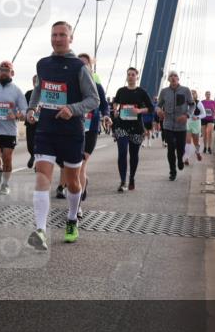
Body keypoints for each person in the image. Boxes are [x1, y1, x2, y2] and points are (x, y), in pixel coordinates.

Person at [25, 22, 99, 248]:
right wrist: (31, 109)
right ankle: (40, 230)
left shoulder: (79, 67)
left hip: (71, 132)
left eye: (62, 35)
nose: (57, 39)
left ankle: (72, 218)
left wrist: (72, 109)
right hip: (46, 130)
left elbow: (94, 100)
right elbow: (39, 89)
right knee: (42, 177)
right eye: (54, 35)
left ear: (71, 38)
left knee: (73, 182)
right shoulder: (43, 64)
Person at [0, 60, 28, 196]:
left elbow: (25, 111)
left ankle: (5, 185)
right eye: (1, 70)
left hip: (9, 131)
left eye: (6, 70)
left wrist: (16, 115)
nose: (3, 73)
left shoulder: (17, 91)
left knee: (7, 158)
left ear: (12, 73)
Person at [74, 54, 110, 208]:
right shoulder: (71, 83)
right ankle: (79, 189)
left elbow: (104, 104)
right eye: (79, 63)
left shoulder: (96, 84)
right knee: (73, 167)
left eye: (85, 64)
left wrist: (106, 116)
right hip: (74, 128)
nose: (82, 67)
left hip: (91, 128)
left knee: (81, 164)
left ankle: (77, 206)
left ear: (90, 66)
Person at [112, 67, 153, 191]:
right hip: (121, 126)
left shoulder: (142, 92)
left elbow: (150, 108)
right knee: (122, 152)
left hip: (136, 127)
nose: (130, 76)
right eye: (129, 74)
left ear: (137, 77)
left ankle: (132, 177)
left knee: (134, 155)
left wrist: (139, 110)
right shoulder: (121, 91)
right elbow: (115, 102)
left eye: (133, 75)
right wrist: (115, 110)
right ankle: (123, 181)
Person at [156, 71, 192, 181]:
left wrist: (187, 115)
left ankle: (180, 159)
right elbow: (158, 105)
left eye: (175, 75)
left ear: (178, 78)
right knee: (170, 148)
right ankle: (172, 171)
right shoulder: (164, 92)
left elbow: (192, 105)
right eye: (171, 76)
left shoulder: (185, 90)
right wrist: (158, 111)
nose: (173, 77)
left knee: (180, 149)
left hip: (181, 125)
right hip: (168, 125)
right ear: (168, 79)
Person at [184, 89, 204, 165]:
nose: (192, 95)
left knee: (196, 142)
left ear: (196, 95)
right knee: (188, 140)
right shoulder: (185, 102)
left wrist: (197, 117)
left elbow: (204, 114)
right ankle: (186, 158)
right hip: (188, 122)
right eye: (191, 93)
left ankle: (197, 152)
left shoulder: (199, 103)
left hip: (196, 123)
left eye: (193, 93)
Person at [24, 74, 39, 169]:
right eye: (34, 82)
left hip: (41, 123)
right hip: (30, 122)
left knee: (40, 143)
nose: (36, 83)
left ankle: (38, 162)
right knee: (30, 143)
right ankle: (33, 155)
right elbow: (24, 106)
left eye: (37, 81)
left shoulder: (44, 94)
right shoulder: (28, 93)